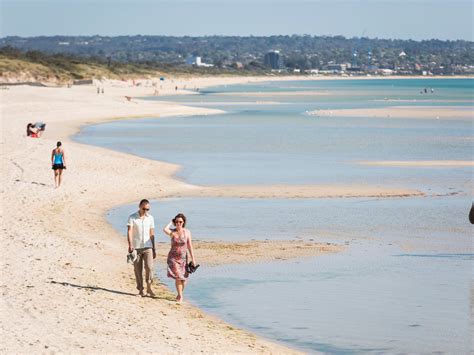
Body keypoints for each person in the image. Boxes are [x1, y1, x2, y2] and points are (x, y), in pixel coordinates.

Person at [163, 213, 196, 303]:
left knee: (184, 279)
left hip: (183, 259)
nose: (178, 223)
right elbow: (165, 229)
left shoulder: (187, 232)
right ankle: (181, 296)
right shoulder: (172, 233)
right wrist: (171, 221)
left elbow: (190, 246)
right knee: (178, 277)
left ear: (183, 222)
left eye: (180, 222)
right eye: (177, 221)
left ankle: (179, 294)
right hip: (173, 258)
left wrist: (193, 259)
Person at [127, 199, 156, 297]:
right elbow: (130, 231)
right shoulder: (132, 217)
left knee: (149, 267)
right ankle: (140, 290)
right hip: (136, 247)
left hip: (148, 246)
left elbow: (152, 234)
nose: (145, 211)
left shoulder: (150, 218)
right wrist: (130, 244)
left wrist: (154, 248)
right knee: (137, 269)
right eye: (144, 208)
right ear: (139, 206)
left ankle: (149, 288)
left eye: (148, 209)